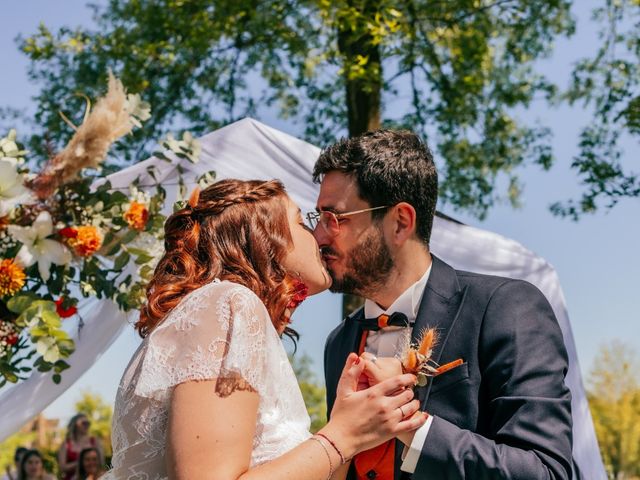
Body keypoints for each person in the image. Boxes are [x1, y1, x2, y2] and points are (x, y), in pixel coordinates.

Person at [105, 179, 427, 480]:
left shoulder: (218, 311)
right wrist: (342, 435)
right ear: (264, 236)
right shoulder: (228, 304)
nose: (318, 236)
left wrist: (350, 425)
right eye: (302, 222)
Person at [312, 130, 573, 479]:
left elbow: (546, 471)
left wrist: (409, 423)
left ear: (401, 222)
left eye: (336, 218)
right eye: (318, 218)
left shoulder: (506, 307)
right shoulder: (338, 343)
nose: (319, 237)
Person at [57, 414, 103, 480]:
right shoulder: (66, 444)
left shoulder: (95, 441)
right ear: (75, 424)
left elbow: (101, 462)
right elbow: (62, 467)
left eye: (88, 423)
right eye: (83, 423)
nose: (86, 425)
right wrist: (81, 462)